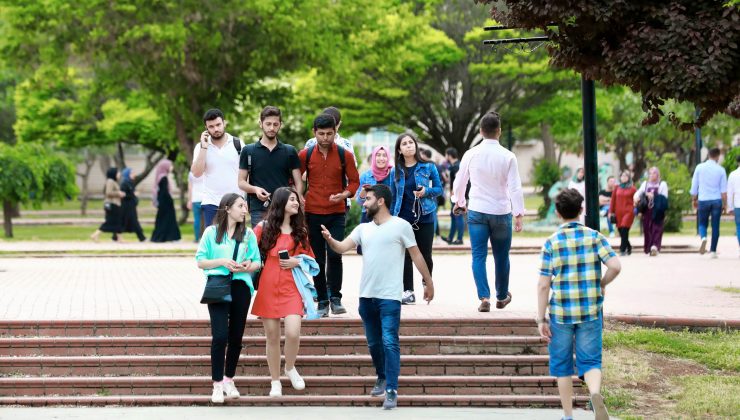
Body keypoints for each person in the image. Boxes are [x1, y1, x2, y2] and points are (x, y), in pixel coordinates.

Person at [320, 184, 435, 410]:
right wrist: (330, 239)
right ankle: (382, 376)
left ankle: (391, 389)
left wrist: (428, 282)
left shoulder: (401, 226)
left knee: (390, 341)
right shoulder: (363, 229)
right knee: (374, 343)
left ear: (381, 201)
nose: (364, 202)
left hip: (390, 296)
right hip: (366, 296)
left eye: (368, 199)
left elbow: (416, 254)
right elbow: (342, 247)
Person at [537, 188, 621, 420]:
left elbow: (544, 285)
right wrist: (602, 283)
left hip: (561, 313)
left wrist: (541, 318)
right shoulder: (595, 237)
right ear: (581, 210)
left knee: (562, 366)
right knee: (591, 360)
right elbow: (615, 266)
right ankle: (594, 393)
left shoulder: (552, 242)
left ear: (557, 212)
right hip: (590, 310)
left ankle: (567, 415)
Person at [452, 111, 524, 313]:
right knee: (502, 256)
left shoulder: (471, 154)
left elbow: (460, 181)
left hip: (477, 210)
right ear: (499, 131)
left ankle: (484, 297)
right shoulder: (509, 156)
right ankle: (502, 296)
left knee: (478, 256)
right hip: (501, 211)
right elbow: (515, 187)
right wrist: (518, 214)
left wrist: (459, 201)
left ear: (481, 131)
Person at [195, 193, 261, 404]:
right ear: (227, 208)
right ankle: (216, 385)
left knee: (236, 337)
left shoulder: (248, 234)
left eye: (245, 206)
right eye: (241, 206)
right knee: (220, 336)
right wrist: (223, 261)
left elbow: (257, 262)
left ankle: (228, 380)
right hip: (218, 286)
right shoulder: (211, 232)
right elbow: (201, 261)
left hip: (241, 286)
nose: (245, 210)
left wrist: (246, 267)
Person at [251, 187, 314, 397]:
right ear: (281, 202)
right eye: (292, 200)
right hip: (268, 285)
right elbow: (248, 249)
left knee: (293, 332)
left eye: (297, 200)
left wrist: (298, 260)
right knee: (272, 336)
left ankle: (289, 367)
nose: (296, 203)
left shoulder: (301, 231)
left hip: (292, 286)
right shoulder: (263, 227)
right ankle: (275, 381)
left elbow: (312, 260)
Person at [298, 114, 360, 317]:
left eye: (329, 134)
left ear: (335, 132)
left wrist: (344, 194)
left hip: (336, 212)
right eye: (321, 134)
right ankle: (322, 300)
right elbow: (295, 179)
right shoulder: (305, 155)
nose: (325, 138)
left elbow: (354, 182)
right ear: (314, 133)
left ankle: (336, 298)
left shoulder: (345, 155)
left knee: (335, 254)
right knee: (317, 258)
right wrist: (299, 197)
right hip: (313, 212)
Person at [389, 133, 442, 305]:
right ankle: (408, 291)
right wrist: (389, 218)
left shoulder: (428, 167)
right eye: (404, 144)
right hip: (402, 218)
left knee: (426, 254)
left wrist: (426, 191)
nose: (409, 145)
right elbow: (392, 195)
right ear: (399, 149)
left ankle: (427, 284)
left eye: (411, 142)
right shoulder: (395, 170)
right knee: (405, 255)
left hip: (425, 216)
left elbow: (439, 189)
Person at [238, 106, 303, 227]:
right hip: (258, 209)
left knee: (285, 245)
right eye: (268, 124)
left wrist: (295, 202)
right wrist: (255, 189)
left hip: (285, 209)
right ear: (260, 124)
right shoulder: (248, 151)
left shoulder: (290, 151)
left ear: (280, 124)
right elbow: (241, 182)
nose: (272, 128)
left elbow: (298, 182)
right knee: (261, 244)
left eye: (275, 124)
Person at [191, 108, 243, 228]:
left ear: (224, 123)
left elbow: (247, 173)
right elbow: (196, 173)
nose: (216, 129)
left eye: (218, 125)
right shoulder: (200, 147)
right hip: (211, 202)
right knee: (214, 242)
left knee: (236, 241)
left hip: (235, 202)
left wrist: (245, 199)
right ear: (206, 128)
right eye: (211, 126)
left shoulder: (238, 144)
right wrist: (204, 147)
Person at [690, 147, 728, 258]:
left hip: (703, 199)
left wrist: (694, 199)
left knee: (702, 223)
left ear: (708, 155)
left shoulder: (699, 167)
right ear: (717, 156)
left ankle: (703, 238)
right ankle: (713, 251)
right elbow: (723, 191)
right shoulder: (721, 170)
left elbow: (694, 186)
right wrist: (725, 204)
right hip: (716, 200)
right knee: (715, 226)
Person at [634, 167, 669, 256]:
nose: (651, 175)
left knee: (657, 228)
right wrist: (644, 195)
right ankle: (648, 247)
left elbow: (664, 197)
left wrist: (654, 196)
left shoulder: (662, 184)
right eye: (650, 173)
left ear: (658, 174)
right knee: (647, 228)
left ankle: (655, 246)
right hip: (647, 209)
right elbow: (638, 193)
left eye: (654, 173)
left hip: (658, 209)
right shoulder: (645, 184)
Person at [356, 146, 393, 224]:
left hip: (388, 216)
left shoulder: (394, 175)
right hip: (369, 216)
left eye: (384, 155)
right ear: (373, 157)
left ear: (388, 158)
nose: (381, 158)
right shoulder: (365, 176)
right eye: (378, 155)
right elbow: (359, 202)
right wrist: (363, 192)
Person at [90, 168, 126, 242]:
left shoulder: (114, 182)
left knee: (117, 221)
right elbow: (108, 192)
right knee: (110, 221)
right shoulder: (110, 181)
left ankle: (119, 238)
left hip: (115, 204)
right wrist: (119, 193)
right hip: (111, 204)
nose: (119, 174)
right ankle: (95, 234)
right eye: (118, 173)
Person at [150, 159, 181, 242]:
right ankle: (171, 237)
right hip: (166, 204)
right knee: (168, 220)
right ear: (165, 167)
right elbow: (164, 192)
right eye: (170, 165)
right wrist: (170, 200)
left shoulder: (161, 177)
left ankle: (162, 237)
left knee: (162, 220)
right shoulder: (163, 178)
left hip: (163, 203)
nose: (172, 167)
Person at [608, 170, 636, 256]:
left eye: (626, 176)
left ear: (629, 178)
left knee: (624, 228)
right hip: (618, 213)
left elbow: (636, 200)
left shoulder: (633, 188)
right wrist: (610, 212)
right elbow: (613, 201)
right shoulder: (617, 187)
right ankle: (629, 246)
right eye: (622, 176)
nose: (624, 178)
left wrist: (636, 209)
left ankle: (622, 249)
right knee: (621, 231)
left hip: (628, 212)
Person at [443, 147, 465, 245]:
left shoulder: (456, 166)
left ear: (449, 155)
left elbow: (458, 181)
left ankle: (460, 239)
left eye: (446, 154)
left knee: (458, 215)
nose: (445, 157)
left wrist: (454, 191)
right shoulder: (457, 165)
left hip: (457, 195)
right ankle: (450, 237)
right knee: (453, 215)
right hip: (456, 195)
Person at [118, 168, 146, 242]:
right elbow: (123, 195)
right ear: (127, 174)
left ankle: (115, 237)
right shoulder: (124, 183)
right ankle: (142, 237)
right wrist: (133, 194)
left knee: (124, 221)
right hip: (126, 206)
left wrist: (134, 194)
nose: (134, 175)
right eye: (132, 173)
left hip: (130, 205)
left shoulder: (130, 182)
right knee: (133, 221)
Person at [726, 155, 740, 258]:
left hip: (738, 204)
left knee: (739, 227)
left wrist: (729, 207)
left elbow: (729, 193)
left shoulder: (733, 174)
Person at [187, 171, 205, 242]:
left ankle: (196, 238)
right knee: (206, 220)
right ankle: (206, 239)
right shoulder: (206, 171)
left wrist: (189, 200)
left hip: (195, 199)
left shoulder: (191, 173)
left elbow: (190, 188)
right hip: (205, 198)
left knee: (197, 219)